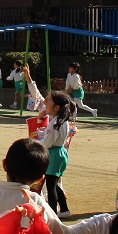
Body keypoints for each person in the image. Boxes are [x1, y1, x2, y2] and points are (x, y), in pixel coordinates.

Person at [38, 91, 75, 219]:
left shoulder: (55, 123)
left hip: (53, 154)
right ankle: (64, 209)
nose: (45, 102)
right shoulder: (62, 121)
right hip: (60, 153)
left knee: (50, 186)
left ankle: (52, 213)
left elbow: (47, 143)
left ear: (56, 107)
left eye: (48, 100)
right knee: (54, 184)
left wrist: (36, 142)